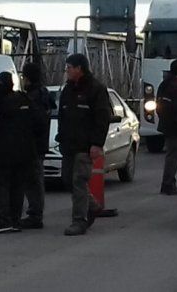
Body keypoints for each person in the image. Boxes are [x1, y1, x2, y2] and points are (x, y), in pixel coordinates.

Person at [0, 72, 46, 234]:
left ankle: (3, 220)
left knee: (1, 188)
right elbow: (40, 123)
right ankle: (14, 219)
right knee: (17, 187)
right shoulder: (24, 100)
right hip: (23, 154)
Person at [56, 53, 111, 236]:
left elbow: (102, 119)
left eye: (69, 68)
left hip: (84, 146)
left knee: (79, 181)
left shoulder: (96, 89)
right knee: (67, 180)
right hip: (68, 145)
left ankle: (79, 220)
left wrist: (96, 143)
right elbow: (63, 116)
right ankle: (93, 207)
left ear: (79, 68)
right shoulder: (68, 90)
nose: (67, 71)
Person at [19, 62, 56, 229]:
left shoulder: (33, 98)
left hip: (32, 146)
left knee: (33, 181)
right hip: (37, 145)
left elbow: (34, 122)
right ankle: (35, 213)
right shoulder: (43, 94)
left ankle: (35, 215)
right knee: (34, 180)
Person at [156, 59, 177, 195]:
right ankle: (168, 184)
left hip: (166, 125)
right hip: (176, 128)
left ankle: (169, 183)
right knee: (174, 156)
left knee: (171, 155)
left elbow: (159, 106)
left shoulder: (164, 85)